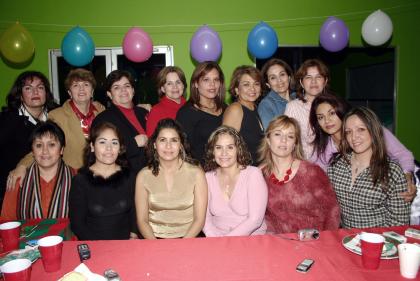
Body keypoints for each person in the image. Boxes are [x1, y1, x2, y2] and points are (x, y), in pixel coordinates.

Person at [309, 93, 416, 201]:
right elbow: (313, 175)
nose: (327, 121)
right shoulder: (322, 148)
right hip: (346, 204)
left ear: (341, 111)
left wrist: (407, 178)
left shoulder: (369, 130)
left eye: (332, 113)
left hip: (379, 194)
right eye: (320, 117)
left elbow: (403, 155)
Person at [328, 107, 411, 228]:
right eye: (348, 132)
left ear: (373, 131)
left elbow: (399, 225)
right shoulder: (336, 165)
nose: (354, 137)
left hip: (378, 243)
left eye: (361, 129)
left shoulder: (392, 172)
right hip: (343, 241)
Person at [259, 115, 340, 234]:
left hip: (313, 243)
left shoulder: (312, 172)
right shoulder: (260, 175)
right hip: (279, 242)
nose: (284, 140)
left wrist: (324, 241)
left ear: (295, 144)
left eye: (290, 136)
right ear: (268, 140)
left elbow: (332, 212)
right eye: (277, 134)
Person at [135, 119, 207, 239]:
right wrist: (156, 247)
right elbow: (142, 221)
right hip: (153, 241)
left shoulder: (197, 174)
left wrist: (181, 246)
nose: (168, 146)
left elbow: (199, 220)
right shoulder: (143, 176)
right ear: (154, 144)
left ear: (181, 145)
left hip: (189, 240)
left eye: (174, 140)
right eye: (163, 140)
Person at [69, 122, 137, 240]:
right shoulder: (80, 181)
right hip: (94, 248)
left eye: (114, 143)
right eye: (102, 142)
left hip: (126, 246)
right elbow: (77, 224)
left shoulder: (130, 176)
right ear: (92, 146)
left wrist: (133, 236)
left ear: (120, 148)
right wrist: (99, 249)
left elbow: (135, 214)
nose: (109, 148)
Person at [0, 71, 58, 207]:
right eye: (28, 88)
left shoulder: (55, 117)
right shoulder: (7, 120)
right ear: (20, 95)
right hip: (12, 191)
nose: (35, 92)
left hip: (47, 189)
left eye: (40, 87)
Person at [202, 126, 267, 237]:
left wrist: (226, 241)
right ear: (212, 151)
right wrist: (214, 238)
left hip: (251, 240)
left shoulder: (253, 174)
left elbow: (255, 220)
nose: (224, 153)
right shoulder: (207, 178)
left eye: (230, 147)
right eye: (218, 147)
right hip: (216, 240)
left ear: (238, 149)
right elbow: (204, 217)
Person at [1, 121, 73, 219]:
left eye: (51, 144)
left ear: (61, 150)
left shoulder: (77, 178)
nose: (45, 151)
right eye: (39, 145)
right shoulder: (17, 180)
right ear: (32, 151)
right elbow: (6, 222)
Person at [92, 70, 148, 174]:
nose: (123, 90)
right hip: (122, 178)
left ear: (133, 90)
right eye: (116, 87)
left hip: (149, 174)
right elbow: (100, 152)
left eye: (127, 86)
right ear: (109, 94)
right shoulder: (103, 119)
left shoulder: (144, 113)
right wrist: (134, 144)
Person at [176, 61, 226, 163]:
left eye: (216, 79)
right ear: (196, 83)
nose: (212, 84)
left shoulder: (227, 109)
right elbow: (183, 152)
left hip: (226, 171)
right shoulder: (186, 113)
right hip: (200, 173)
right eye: (206, 79)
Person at [284, 59, 329, 158]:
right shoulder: (293, 107)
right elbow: (287, 140)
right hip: (303, 165)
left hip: (331, 166)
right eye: (308, 77)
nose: (314, 81)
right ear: (301, 82)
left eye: (318, 77)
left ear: (325, 81)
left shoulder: (333, 106)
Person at [223, 66, 264, 165]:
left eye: (256, 84)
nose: (252, 89)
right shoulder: (236, 109)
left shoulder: (255, 108)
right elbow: (226, 147)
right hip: (242, 173)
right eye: (246, 84)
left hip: (256, 172)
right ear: (237, 90)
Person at [146, 66, 187, 137]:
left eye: (178, 82)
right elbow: (151, 142)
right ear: (163, 88)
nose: (175, 87)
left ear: (183, 85)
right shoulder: (156, 111)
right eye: (169, 83)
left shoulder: (192, 107)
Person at [258, 59, 296, 129]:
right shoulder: (266, 105)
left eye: (282, 74)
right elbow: (270, 133)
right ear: (268, 84)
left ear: (289, 77)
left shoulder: (298, 98)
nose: (279, 80)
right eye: (273, 78)